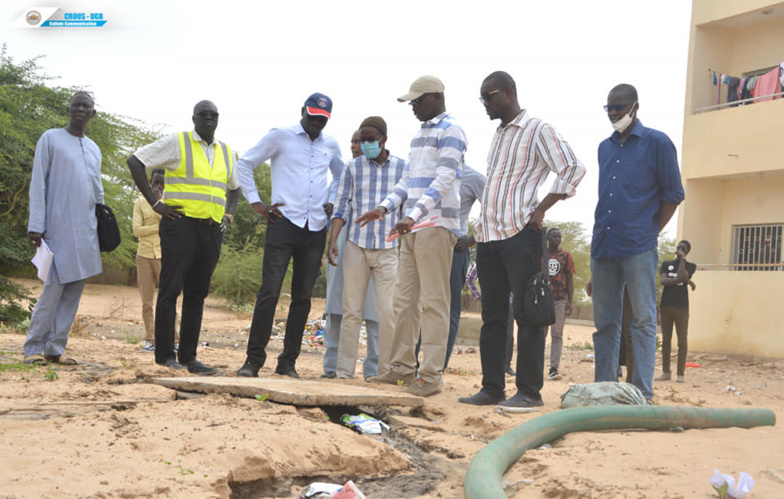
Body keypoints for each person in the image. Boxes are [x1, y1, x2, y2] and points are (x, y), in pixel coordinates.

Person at [459, 71, 585, 407]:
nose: (486, 103)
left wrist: (541, 210)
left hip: (521, 235)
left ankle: (529, 392)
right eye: (482, 98)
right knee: (494, 317)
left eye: (491, 96)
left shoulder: (537, 129)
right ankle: (492, 388)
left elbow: (573, 167)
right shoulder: (499, 135)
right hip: (490, 238)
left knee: (529, 315)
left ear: (510, 93)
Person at [359, 75, 466, 397]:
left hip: (435, 226)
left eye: (417, 102)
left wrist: (412, 215)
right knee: (403, 302)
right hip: (413, 227)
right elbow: (408, 180)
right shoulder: (420, 134)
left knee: (433, 303)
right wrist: (384, 208)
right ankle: (402, 369)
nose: (413, 108)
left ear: (436, 97)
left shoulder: (452, 131)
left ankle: (431, 376)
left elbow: (445, 177)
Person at [127, 100, 240, 375]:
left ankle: (189, 357)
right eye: (203, 115)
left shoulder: (226, 151)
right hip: (181, 225)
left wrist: (229, 215)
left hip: (211, 228)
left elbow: (235, 188)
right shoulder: (179, 142)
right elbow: (135, 161)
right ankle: (165, 356)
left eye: (213, 115)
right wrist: (155, 204)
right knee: (170, 290)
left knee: (197, 294)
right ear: (194, 118)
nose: (209, 119)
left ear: (218, 119)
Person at [235, 93, 343, 379]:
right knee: (269, 292)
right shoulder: (280, 136)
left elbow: (341, 177)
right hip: (282, 223)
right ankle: (253, 361)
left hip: (315, 228)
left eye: (322, 120)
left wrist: (332, 199)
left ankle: (287, 362)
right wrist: (256, 202)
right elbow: (244, 163)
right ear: (302, 112)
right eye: (312, 117)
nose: (316, 124)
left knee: (302, 297)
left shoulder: (330, 144)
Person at [591, 83, 684, 401]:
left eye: (619, 107)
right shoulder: (604, 148)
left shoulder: (657, 143)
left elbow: (673, 195)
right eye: (609, 108)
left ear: (635, 107)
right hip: (604, 245)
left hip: (639, 246)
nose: (614, 113)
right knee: (605, 322)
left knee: (643, 320)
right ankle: (603, 388)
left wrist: (650, 232)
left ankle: (642, 391)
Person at [23, 91, 104, 366]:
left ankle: (55, 348)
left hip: (86, 232)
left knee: (74, 291)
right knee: (53, 290)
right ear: (68, 110)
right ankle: (34, 347)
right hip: (56, 228)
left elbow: (97, 192)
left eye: (87, 106)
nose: (81, 109)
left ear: (93, 114)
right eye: (76, 105)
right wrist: (36, 225)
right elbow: (39, 184)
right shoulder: (50, 139)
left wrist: (103, 226)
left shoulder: (94, 148)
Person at [329, 117, 406, 379]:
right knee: (351, 311)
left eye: (370, 140)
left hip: (387, 248)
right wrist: (333, 241)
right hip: (356, 247)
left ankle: (385, 372)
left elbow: (407, 209)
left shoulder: (403, 169)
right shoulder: (352, 168)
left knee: (387, 312)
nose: (365, 144)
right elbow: (341, 207)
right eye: (363, 140)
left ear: (383, 139)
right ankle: (343, 373)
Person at [321, 130, 382, 380]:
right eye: (354, 142)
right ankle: (332, 367)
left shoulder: (384, 174)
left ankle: (374, 370)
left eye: (362, 142)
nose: (356, 146)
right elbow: (332, 209)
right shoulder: (342, 175)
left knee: (375, 310)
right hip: (342, 242)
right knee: (336, 307)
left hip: (375, 246)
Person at [132, 168, 179, 352]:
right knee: (147, 302)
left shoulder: (169, 204)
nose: (158, 186)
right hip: (143, 255)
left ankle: (174, 341)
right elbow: (137, 231)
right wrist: (158, 225)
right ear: (149, 183)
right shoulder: (139, 203)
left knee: (169, 298)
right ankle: (150, 339)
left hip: (164, 255)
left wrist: (159, 206)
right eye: (155, 183)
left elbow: (171, 228)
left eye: (161, 183)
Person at [656, 240, 696, 383]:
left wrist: (683, 262)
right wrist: (683, 280)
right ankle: (666, 372)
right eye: (678, 247)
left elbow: (682, 274)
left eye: (683, 248)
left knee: (682, 342)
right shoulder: (666, 264)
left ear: (687, 251)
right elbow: (664, 281)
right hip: (666, 306)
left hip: (681, 307)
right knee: (666, 341)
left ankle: (680, 373)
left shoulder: (691, 266)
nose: (679, 249)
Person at [544, 227, 575, 380]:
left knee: (557, 333)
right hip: (543, 299)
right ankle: (536, 366)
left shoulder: (566, 256)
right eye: (554, 236)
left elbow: (570, 279)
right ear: (547, 238)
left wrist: (570, 301)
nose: (557, 239)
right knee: (540, 333)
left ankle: (554, 368)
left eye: (559, 236)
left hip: (560, 299)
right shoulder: (542, 254)